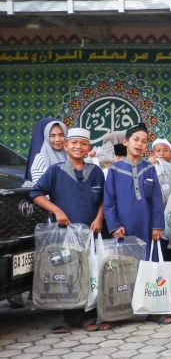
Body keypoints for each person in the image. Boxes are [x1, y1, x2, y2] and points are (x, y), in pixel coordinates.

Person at [30, 127, 106, 333]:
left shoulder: (96, 172)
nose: (78, 147)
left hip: (91, 233)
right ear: (65, 146)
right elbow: (35, 193)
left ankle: (88, 317)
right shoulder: (55, 171)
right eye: (74, 143)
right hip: (66, 234)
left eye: (83, 144)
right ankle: (68, 317)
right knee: (67, 273)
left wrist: (99, 218)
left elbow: (104, 200)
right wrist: (56, 210)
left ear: (88, 147)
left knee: (90, 272)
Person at [104, 123, 164, 249]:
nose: (139, 144)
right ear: (125, 142)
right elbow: (109, 201)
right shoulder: (115, 169)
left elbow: (157, 199)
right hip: (122, 228)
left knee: (147, 264)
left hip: (146, 226)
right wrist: (114, 225)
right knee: (125, 264)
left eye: (143, 141)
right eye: (136, 139)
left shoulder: (149, 169)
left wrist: (157, 225)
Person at [29, 120, 68, 185]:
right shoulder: (41, 159)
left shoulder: (70, 156)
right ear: (47, 137)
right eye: (52, 136)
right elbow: (39, 190)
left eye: (61, 135)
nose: (57, 139)